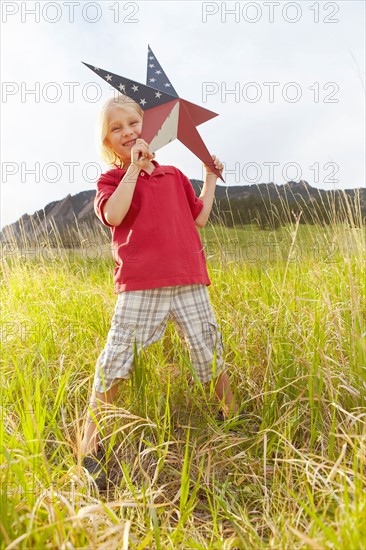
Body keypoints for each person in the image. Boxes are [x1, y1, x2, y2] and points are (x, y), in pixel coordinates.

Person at [80, 94, 240, 488]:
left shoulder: (174, 177)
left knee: (207, 347)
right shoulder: (112, 180)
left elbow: (199, 218)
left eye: (133, 123)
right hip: (142, 284)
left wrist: (210, 177)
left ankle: (233, 417)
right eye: (115, 129)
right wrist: (133, 169)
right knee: (116, 358)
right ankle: (89, 445)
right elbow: (114, 215)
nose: (127, 132)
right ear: (107, 142)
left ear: (148, 127)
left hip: (188, 278)